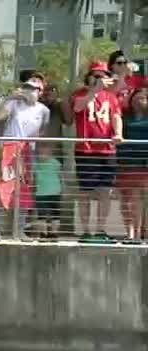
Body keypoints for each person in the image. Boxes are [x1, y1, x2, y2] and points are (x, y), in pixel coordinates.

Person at [67, 60, 124, 242]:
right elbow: (78, 107)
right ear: (89, 77)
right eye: (96, 75)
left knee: (104, 191)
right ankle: (86, 231)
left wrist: (118, 133)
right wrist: (95, 90)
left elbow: (116, 116)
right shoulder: (79, 94)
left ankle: (101, 230)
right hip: (86, 150)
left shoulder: (112, 97)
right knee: (85, 191)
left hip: (107, 151)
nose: (99, 78)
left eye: (103, 75)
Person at [0, 75, 51, 241]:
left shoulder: (44, 110)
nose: (28, 92)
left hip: (28, 151)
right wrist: (9, 97)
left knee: (24, 192)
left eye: (33, 89)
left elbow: (43, 132)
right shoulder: (14, 104)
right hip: (10, 147)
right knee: (4, 187)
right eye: (26, 88)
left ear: (40, 92)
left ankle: (20, 230)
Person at [116, 87, 148, 242]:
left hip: (145, 163)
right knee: (128, 199)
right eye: (136, 97)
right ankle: (130, 233)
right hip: (126, 161)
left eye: (143, 98)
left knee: (141, 200)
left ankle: (142, 233)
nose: (139, 100)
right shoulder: (125, 116)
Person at [32, 142, 63, 240]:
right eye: (41, 150)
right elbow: (33, 177)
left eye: (45, 150)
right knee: (42, 215)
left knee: (55, 215)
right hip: (41, 193)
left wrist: (62, 188)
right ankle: (43, 234)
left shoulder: (55, 163)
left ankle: (54, 233)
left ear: (50, 152)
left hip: (54, 193)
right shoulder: (35, 164)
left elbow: (60, 176)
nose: (43, 152)